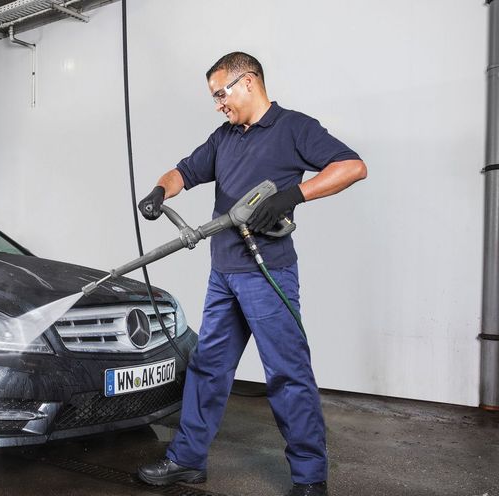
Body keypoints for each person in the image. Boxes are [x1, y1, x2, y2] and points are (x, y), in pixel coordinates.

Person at [135, 52, 367, 496]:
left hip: (268, 274)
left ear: (248, 82)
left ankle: (309, 478)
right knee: (207, 368)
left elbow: (352, 166)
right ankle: (187, 460)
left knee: (286, 373)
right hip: (223, 273)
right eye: (213, 97)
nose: (218, 104)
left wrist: (293, 195)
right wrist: (160, 191)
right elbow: (184, 171)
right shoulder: (223, 137)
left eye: (220, 94)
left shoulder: (294, 128)